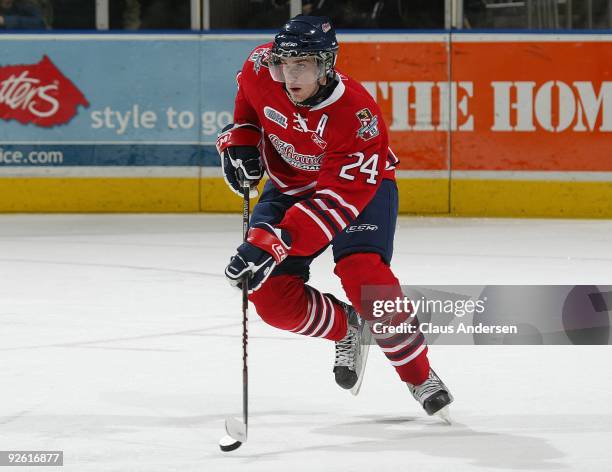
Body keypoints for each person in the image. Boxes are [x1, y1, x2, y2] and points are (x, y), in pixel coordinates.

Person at [217, 15, 453, 419]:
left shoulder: (358, 117)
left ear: (326, 65)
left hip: (358, 191)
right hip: (288, 189)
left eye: (302, 66)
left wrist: (273, 243)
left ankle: (419, 375)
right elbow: (248, 105)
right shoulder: (260, 68)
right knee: (270, 299)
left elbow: (333, 206)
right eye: (283, 65)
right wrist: (241, 138)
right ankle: (348, 328)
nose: (288, 76)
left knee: (364, 276)